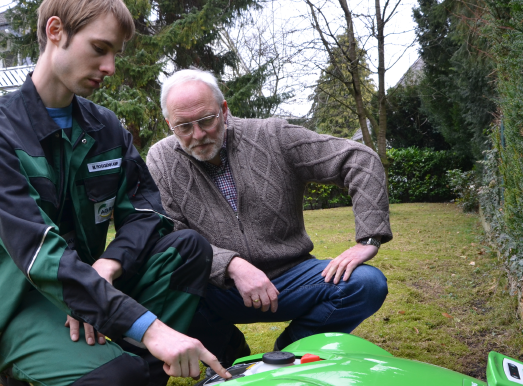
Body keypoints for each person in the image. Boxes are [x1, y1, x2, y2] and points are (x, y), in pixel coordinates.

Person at [0, 3, 229, 386]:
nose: (111, 67)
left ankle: (109, 373)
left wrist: (109, 263)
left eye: (115, 52)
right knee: (119, 380)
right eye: (100, 48)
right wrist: (153, 332)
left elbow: (147, 211)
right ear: (56, 31)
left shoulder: (106, 129)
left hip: (88, 284)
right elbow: (39, 255)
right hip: (15, 301)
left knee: (188, 248)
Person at [146, 69, 392, 367]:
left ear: (224, 111)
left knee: (367, 283)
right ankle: (230, 361)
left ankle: (289, 353)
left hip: (292, 280)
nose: (197, 135)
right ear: (169, 123)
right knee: (159, 289)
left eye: (206, 120)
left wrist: (369, 237)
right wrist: (232, 265)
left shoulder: (273, 135)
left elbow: (360, 159)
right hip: (216, 289)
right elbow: (171, 235)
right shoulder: (160, 159)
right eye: (184, 126)